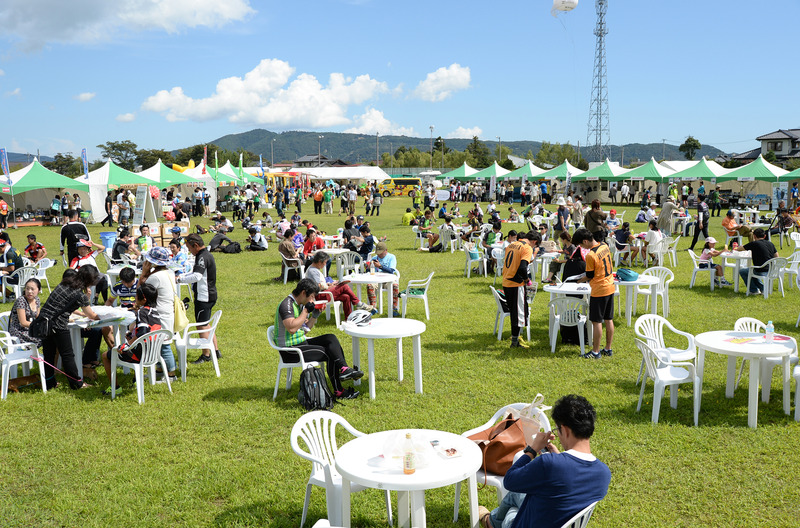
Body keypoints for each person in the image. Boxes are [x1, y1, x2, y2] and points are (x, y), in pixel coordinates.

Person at [479, 394, 611, 528]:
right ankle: (492, 521)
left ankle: (491, 523)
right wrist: (560, 457)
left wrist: (532, 449)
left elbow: (510, 480)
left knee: (513, 508)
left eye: (557, 430)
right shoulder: (604, 473)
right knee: (517, 495)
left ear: (564, 430)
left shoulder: (549, 463)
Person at [273, 278, 363, 399]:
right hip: (290, 350)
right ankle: (339, 391)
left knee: (330, 338)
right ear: (303, 293)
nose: (313, 300)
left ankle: (344, 368)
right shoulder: (287, 305)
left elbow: (304, 329)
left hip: (300, 343)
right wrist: (305, 311)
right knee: (330, 353)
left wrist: (314, 316)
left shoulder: (299, 304)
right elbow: (292, 328)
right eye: (312, 297)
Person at [39, 266, 102, 390]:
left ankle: (49, 383)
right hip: (57, 325)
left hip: (44, 321)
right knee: (67, 355)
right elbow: (91, 315)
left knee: (49, 354)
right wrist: (103, 316)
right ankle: (77, 384)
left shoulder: (65, 283)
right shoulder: (79, 294)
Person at [100, 283, 163, 394]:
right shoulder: (156, 313)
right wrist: (132, 336)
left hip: (139, 355)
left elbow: (143, 332)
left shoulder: (142, 312)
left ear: (143, 299)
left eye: (136, 295)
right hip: (151, 353)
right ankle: (135, 380)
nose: (135, 298)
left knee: (105, 356)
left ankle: (115, 388)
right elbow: (148, 332)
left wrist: (127, 345)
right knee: (134, 344)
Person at [573, 228, 614, 359]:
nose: (581, 247)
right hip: (610, 286)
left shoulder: (591, 255)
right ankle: (608, 348)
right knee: (609, 319)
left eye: (581, 244)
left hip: (599, 289)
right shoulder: (604, 245)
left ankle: (595, 351)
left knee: (596, 322)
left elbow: (590, 275)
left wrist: (578, 280)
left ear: (585, 241)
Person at [179, 234, 220, 364]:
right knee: (206, 323)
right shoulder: (205, 254)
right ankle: (216, 351)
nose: (189, 251)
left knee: (201, 326)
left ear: (195, 245)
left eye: (189, 248)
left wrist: (179, 279)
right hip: (209, 294)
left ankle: (206, 354)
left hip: (204, 296)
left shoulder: (202, 257)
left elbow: (197, 276)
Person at [139, 247, 178, 382]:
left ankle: (172, 374)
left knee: (164, 345)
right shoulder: (169, 272)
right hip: (167, 312)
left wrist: (144, 273)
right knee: (159, 344)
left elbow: (141, 291)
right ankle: (160, 370)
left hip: (158, 314)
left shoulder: (155, 277)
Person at [502, 231, 541, 349]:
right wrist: (526, 280)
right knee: (518, 314)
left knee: (515, 313)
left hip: (506, 281)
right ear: (534, 242)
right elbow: (523, 267)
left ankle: (515, 338)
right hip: (516, 283)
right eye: (536, 245)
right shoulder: (527, 247)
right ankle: (515, 342)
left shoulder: (512, 244)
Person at [306, 252, 371, 317]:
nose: (325, 265)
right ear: (319, 262)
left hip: (323, 293)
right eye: (325, 262)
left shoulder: (314, 269)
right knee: (344, 286)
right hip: (320, 295)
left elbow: (319, 284)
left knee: (346, 297)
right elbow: (319, 286)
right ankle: (358, 303)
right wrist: (330, 286)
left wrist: (330, 284)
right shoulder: (313, 271)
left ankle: (348, 318)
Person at [365, 241, 401, 316]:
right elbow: (369, 272)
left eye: (381, 253)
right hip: (376, 280)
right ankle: (373, 307)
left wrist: (380, 266)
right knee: (369, 286)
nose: (379, 255)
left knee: (395, 286)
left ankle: (394, 308)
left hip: (388, 280)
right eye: (378, 253)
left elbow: (391, 271)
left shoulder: (391, 257)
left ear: (386, 250)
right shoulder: (374, 258)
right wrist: (368, 267)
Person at [738, 228, 778, 295]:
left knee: (744, 271)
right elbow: (776, 256)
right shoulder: (770, 244)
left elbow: (739, 249)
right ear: (764, 236)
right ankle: (763, 289)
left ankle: (754, 290)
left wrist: (740, 246)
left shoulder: (754, 243)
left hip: (761, 270)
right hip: (772, 270)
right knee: (751, 270)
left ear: (754, 236)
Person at [9, 278, 42, 347]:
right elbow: (23, 323)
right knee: (44, 339)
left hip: (30, 328)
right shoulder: (21, 301)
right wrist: (38, 326)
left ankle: (49, 357)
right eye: (27, 289)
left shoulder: (37, 300)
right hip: (19, 330)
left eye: (32, 289)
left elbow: (38, 317)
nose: (29, 291)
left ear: (39, 290)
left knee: (51, 336)